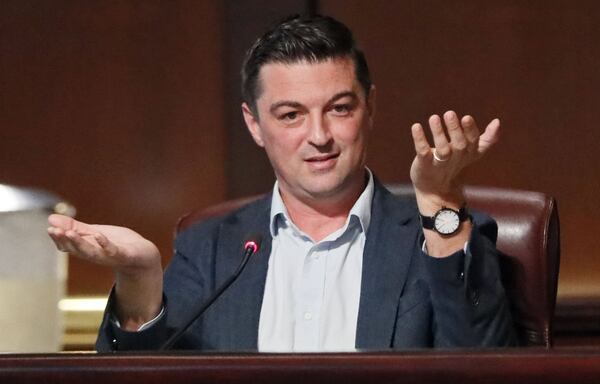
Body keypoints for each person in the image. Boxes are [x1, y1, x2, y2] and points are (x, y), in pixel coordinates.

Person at [47, 14, 516, 352]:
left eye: (339, 108)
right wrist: (139, 281)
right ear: (254, 125)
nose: (319, 136)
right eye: (291, 115)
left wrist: (439, 203)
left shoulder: (433, 234)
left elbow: (485, 365)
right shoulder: (210, 249)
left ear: (369, 108)